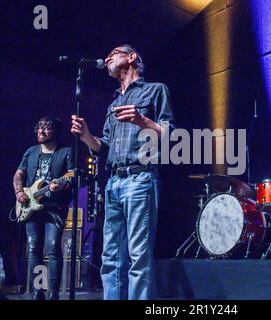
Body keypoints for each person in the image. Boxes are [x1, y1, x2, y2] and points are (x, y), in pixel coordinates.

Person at [71, 44, 174, 300]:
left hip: (140, 178)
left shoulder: (156, 90)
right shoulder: (114, 102)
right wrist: (86, 137)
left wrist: (143, 121)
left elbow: (171, 136)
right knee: (111, 256)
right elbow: (102, 147)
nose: (107, 57)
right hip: (114, 181)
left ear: (132, 57)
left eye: (113, 53)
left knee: (138, 255)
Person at [13, 116, 73, 300]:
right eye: (39, 128)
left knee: (53, 248)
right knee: (33, 249)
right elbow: (18, 174)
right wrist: (19, 193)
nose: (41, 131)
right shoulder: (31, 152)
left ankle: (53, 294)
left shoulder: (66, 152)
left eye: (46, 128)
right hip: (30, 206)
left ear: (55, 131)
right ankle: (38, 292)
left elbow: (71, 175)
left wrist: (61, 185)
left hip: (54, 208)